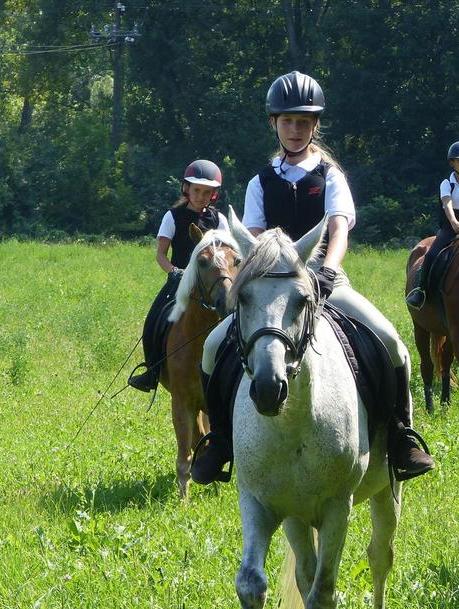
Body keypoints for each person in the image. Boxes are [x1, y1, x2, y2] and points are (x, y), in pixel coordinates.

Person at [192, 71, 434, 484]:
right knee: (213, 349)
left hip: (325, 282)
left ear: (314, 125)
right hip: (273, 290)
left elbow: (338, 229)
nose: (294, 128)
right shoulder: (259, 182)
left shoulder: (330, 176)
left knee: (393, 343)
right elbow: (252, 239)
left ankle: (399, 437)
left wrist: (329, 269)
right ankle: (220, 440)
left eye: (303, 121)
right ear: (275, 123)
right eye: (287, 120)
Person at [128, 159, 228, 393]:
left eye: (206, 192)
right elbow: (161, 254)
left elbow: (227, 253)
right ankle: (152, 371)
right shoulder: (172, 217)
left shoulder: (219, 220)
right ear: (186, 189)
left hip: (210, 283)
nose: (201, 196)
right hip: (180, 281)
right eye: (196, 191)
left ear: (213, 194)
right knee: (153, 319)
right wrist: (174, 271)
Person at [404, 141, 459, 310]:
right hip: (449, 229)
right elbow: (447, 204)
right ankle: (420, 290)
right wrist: (454, 222)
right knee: (431, 255)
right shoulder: (447, 183)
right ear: (452, 162)